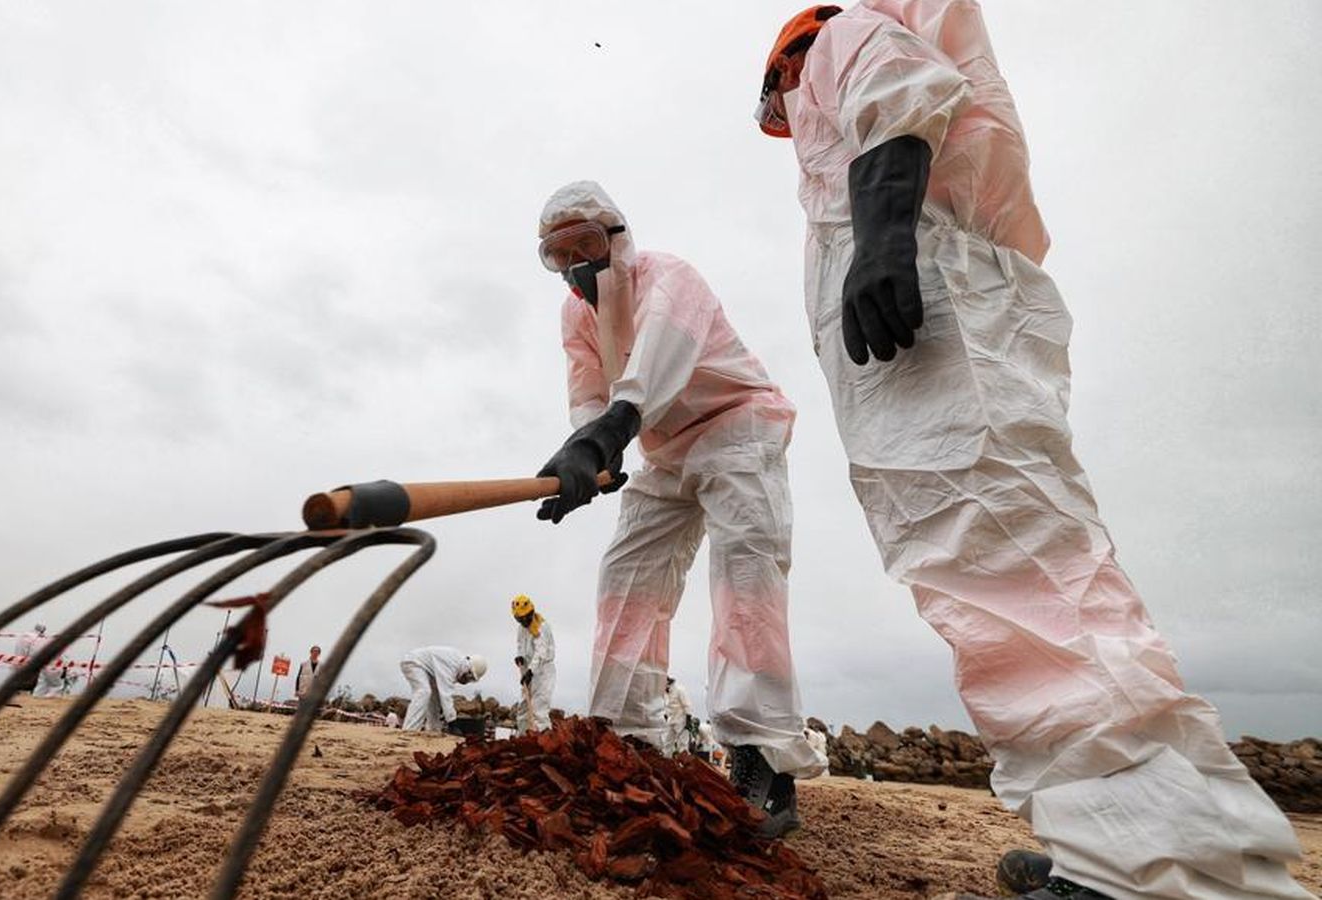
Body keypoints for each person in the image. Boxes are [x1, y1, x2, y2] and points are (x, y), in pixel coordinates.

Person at [755, 3, 1312, 896]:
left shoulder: (835, 39)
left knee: (994, 558)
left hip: (927, 302)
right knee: (1024, 559)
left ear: (789, 59)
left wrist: (884, 237)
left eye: (779, 89)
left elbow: (898, 93)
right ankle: (1134, 839)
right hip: (963, 293)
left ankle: (1147, 867)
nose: (785, 104)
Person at [533, 180, 825, 838]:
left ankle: (762, 761)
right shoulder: (575, 318)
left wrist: (605, 433)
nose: (576, 266)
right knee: (624, 579)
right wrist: (588, 461)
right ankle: (628, 741)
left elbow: (649, 373)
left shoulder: (669, 279)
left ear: (618, 237)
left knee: (745, 578)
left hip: (736, 423)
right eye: (557, 255)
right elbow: (588, 391)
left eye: (585, 245)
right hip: (662, 449)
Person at [398, 646, 487, 733]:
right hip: (414, 662)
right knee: (424, 691)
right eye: (469, 678)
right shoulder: (452, 664)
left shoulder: (458, 664)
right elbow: (446, 695)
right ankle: (409, 730)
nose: (466, 681)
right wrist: (452, 722)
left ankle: (433, 731)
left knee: (434, 699)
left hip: (427, 669)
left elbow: (440, 696)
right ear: (468, 670)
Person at [510, 595, 556, 732]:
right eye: (520, 619)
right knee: (524, 708)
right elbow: (520, 643)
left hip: (543, 672)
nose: (524, 621)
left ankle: (543, 742)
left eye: (526, 617)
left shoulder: (540, 627)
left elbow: (540, 653)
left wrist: (531, 671)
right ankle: (523, 739)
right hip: (528, 670)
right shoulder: (521, 628)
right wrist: (520, 656)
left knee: (539, 710)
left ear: (531, 612)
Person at [663, 677, 694, 755]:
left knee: (682, 745)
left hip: (681, 720)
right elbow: (667, 708)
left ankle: (684, 764)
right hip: (671, 720)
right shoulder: (666, 694)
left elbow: (687, 706)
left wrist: (688, 722)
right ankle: (666, 762)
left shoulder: (679, 690)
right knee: (667, 743)